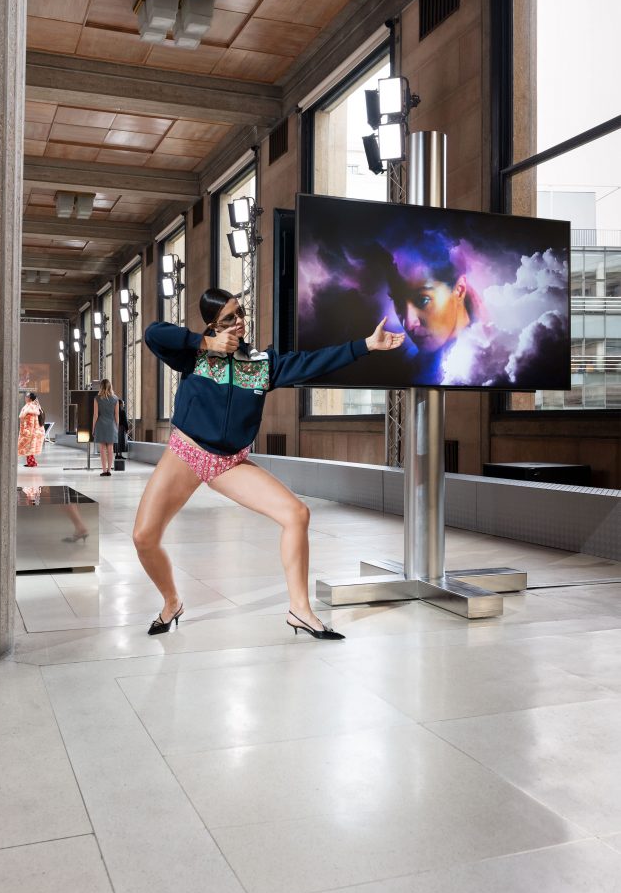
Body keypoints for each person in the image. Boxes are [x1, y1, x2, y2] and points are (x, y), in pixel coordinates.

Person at [134, 287, 403, 641]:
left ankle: (300, 610)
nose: (239, 321)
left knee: (297, 514)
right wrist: (202, 342)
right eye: (229, 317)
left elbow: (313, 361)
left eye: (241, 313)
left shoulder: (261, 364)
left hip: (229, 463)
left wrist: (365, 345)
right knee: (143, 538)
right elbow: (152, 333)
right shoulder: (194, 356)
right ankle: (172, 602)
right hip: (186, 453)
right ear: (213, 323)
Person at [387, 237, 482, 384]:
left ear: (459, 289)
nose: (408, 324)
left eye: (423, 300)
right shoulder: (405, 370)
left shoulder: (501, 362)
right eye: (398, 302)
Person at [92, 379, 119, 476]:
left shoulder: (97, 399)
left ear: (101, 387)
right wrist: (117, 427)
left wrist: (93, 427)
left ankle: (104, 470)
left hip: (101, 425)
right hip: (111, 425)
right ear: (110, 386)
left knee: (102, 449)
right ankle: (109, 470)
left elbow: (95, 415)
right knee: (110, 448)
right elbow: (117, 415)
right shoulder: (115, 399)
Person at [18, 392, 45, 467]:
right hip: (33, 431)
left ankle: (31, 462)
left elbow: (30, 422)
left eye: (26, 396)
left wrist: (26, 431)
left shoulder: (29, 408)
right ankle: (32, 462)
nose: (25, 398)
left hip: (30, 431)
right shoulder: (35, 406)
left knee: (28, 447)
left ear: (29, 398)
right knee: (30, 448)